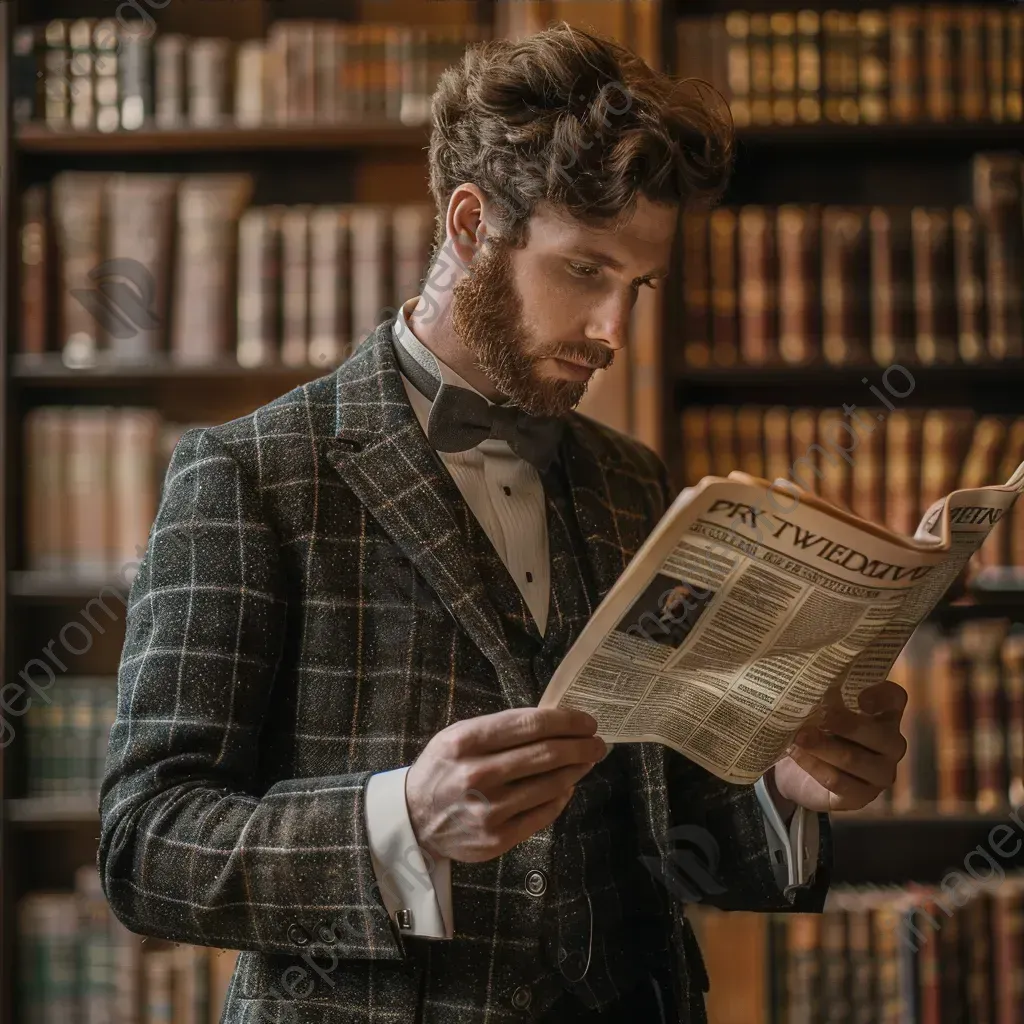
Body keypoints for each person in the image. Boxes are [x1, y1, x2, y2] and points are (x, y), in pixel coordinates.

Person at [99, 23, 908, 1024]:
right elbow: (145, 843)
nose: (616, 331)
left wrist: (785, 788)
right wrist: (403, 820)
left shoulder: (630, 481)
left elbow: (665, 836)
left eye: (639, 285)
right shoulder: (246, 474)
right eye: (585, 270)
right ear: (471, 223)